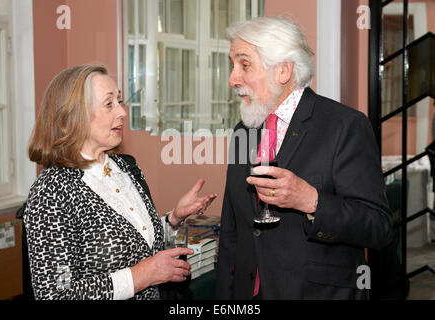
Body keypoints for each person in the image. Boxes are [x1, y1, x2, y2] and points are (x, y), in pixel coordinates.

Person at [216, 16, 393, 300]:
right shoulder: (243, 131)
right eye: (232, 65)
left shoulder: (344, 126)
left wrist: (311, 201)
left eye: (244, 64)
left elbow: (378, 227)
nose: (232, 78)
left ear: (283, 71)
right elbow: (232, 229)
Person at [23, 64, 217, 300]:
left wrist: (173, 218)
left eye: (119, 101)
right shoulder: (52, 191)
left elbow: (133, 244)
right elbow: (55, 295)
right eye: (109, 104)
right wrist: (140, 276)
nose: (122, 112)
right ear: (73, 115)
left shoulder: (126, 167)